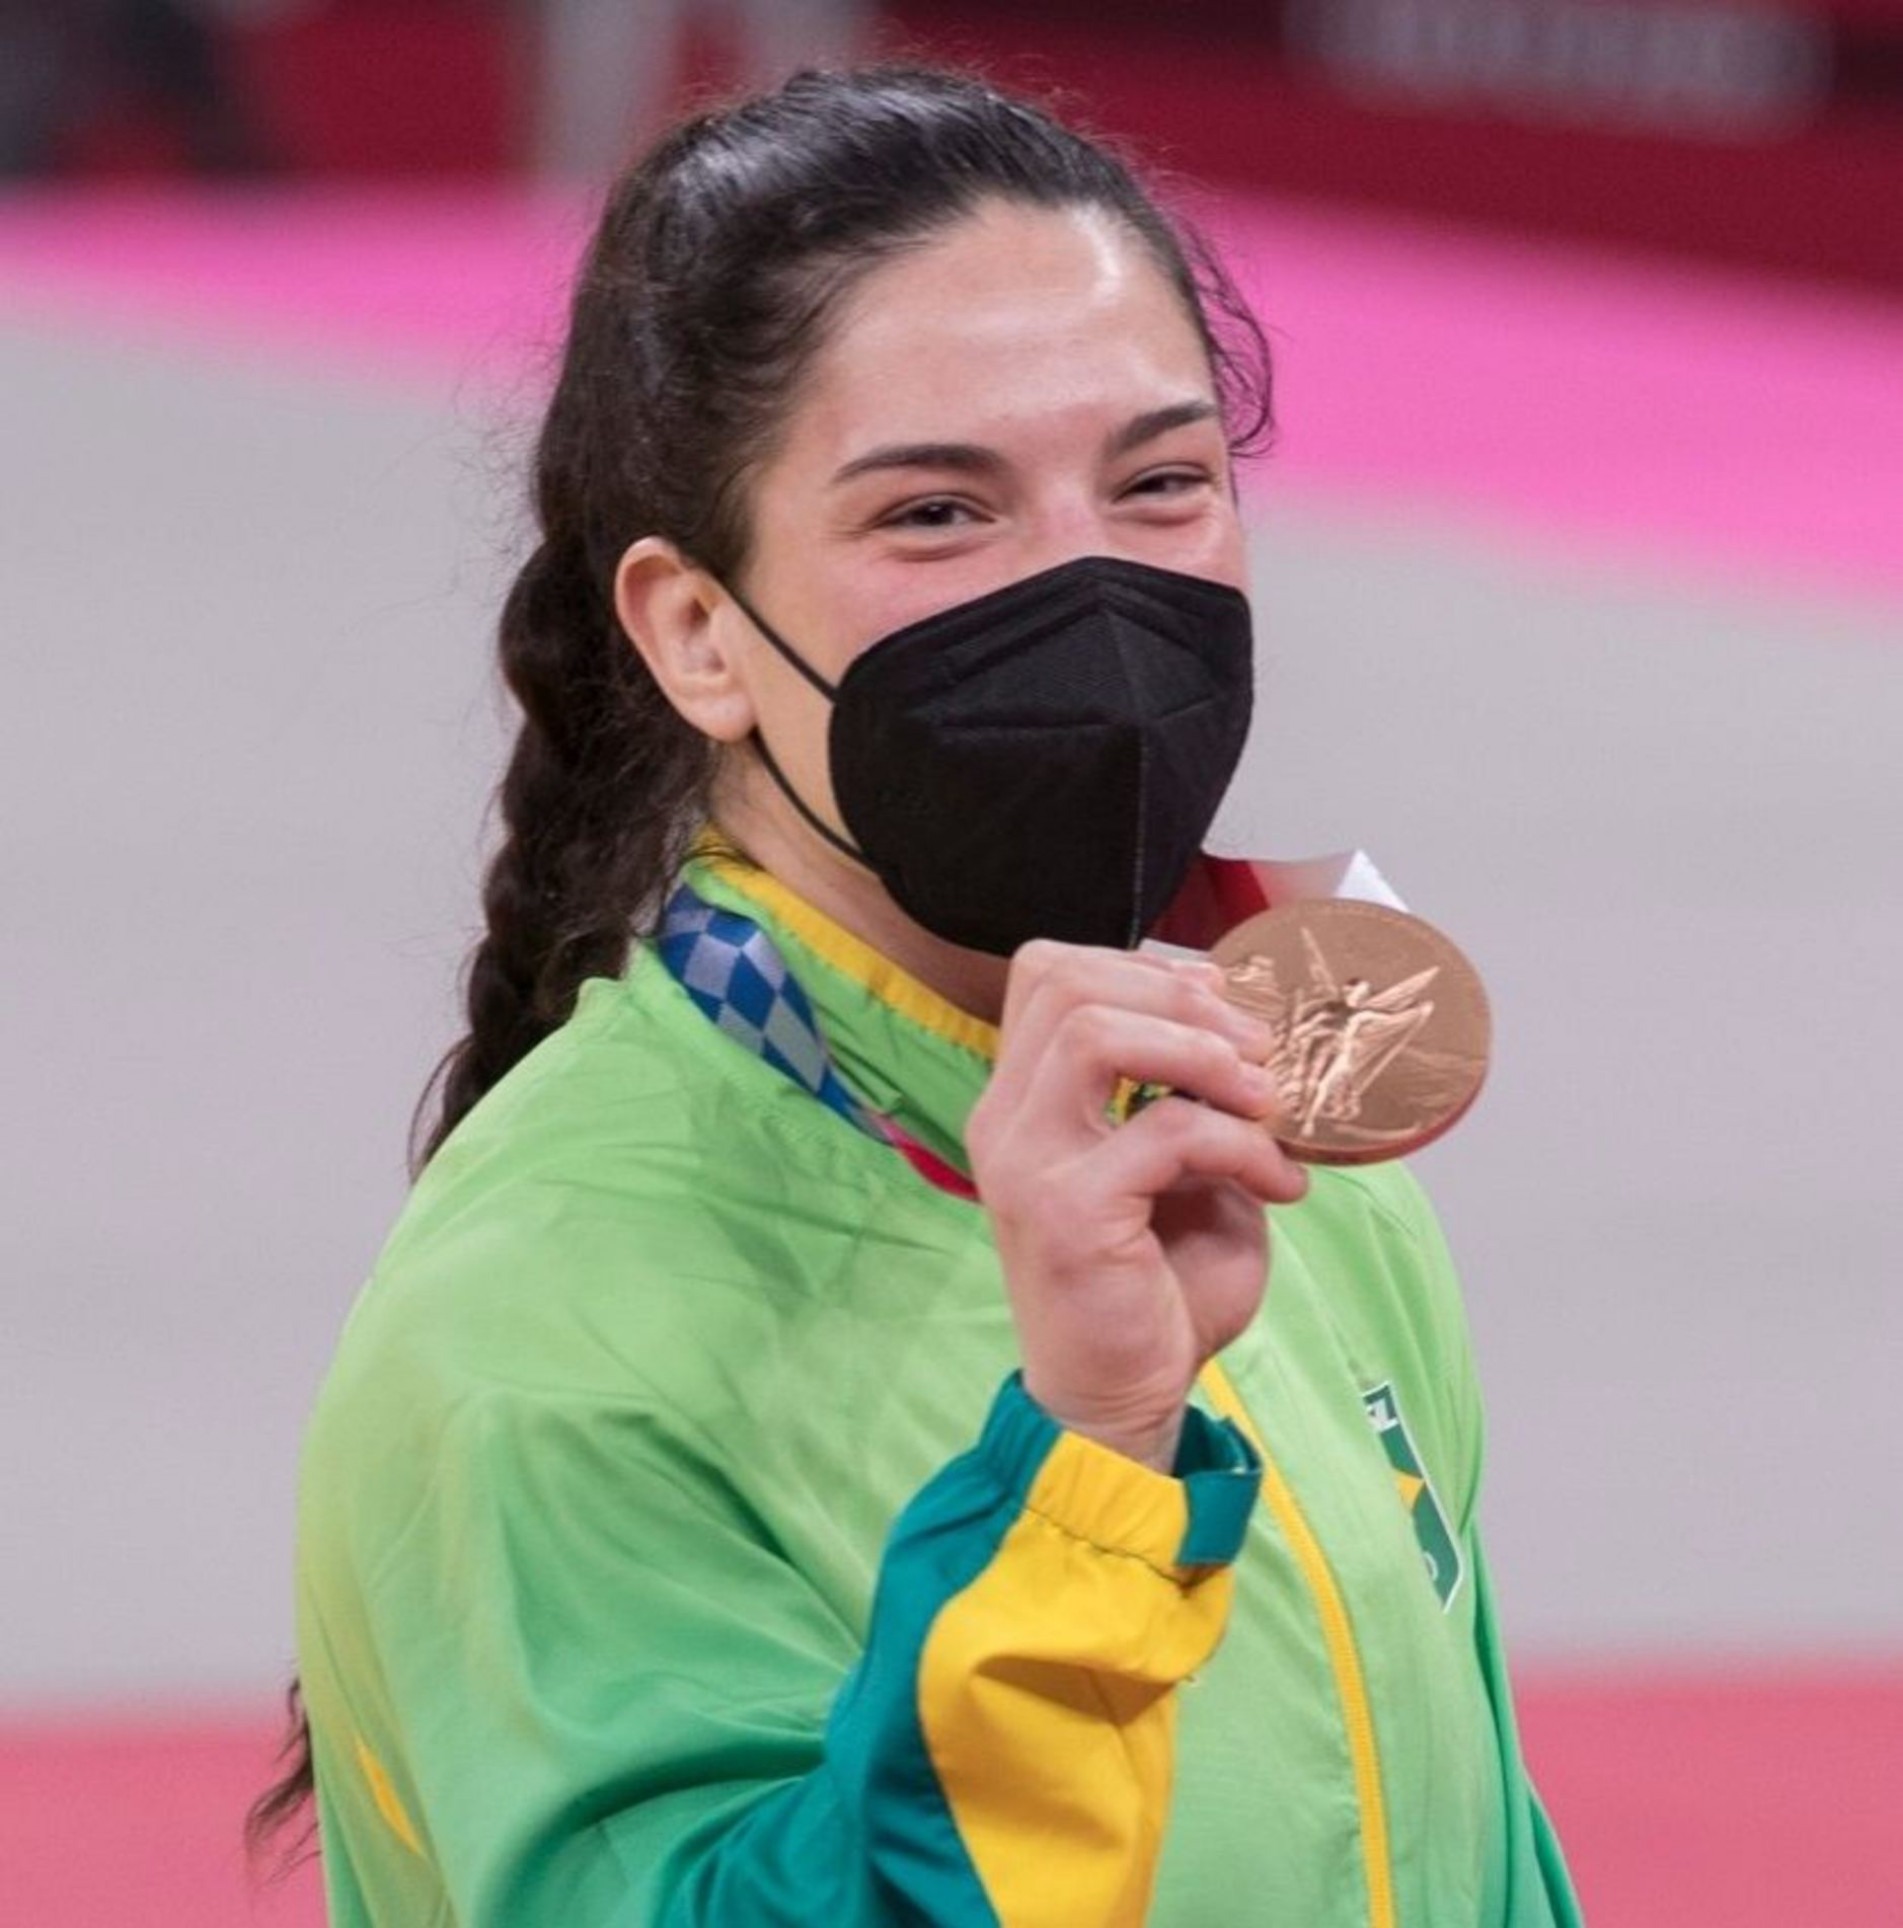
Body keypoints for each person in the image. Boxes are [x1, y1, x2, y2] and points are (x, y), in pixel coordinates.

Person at [256, 65, 1583, 1926]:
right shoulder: (541, 1341)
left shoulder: (1284, 1157)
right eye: (941, 514)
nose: (1093, 599)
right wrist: (1092, 1460)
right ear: (698, 633)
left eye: (1163, 483)